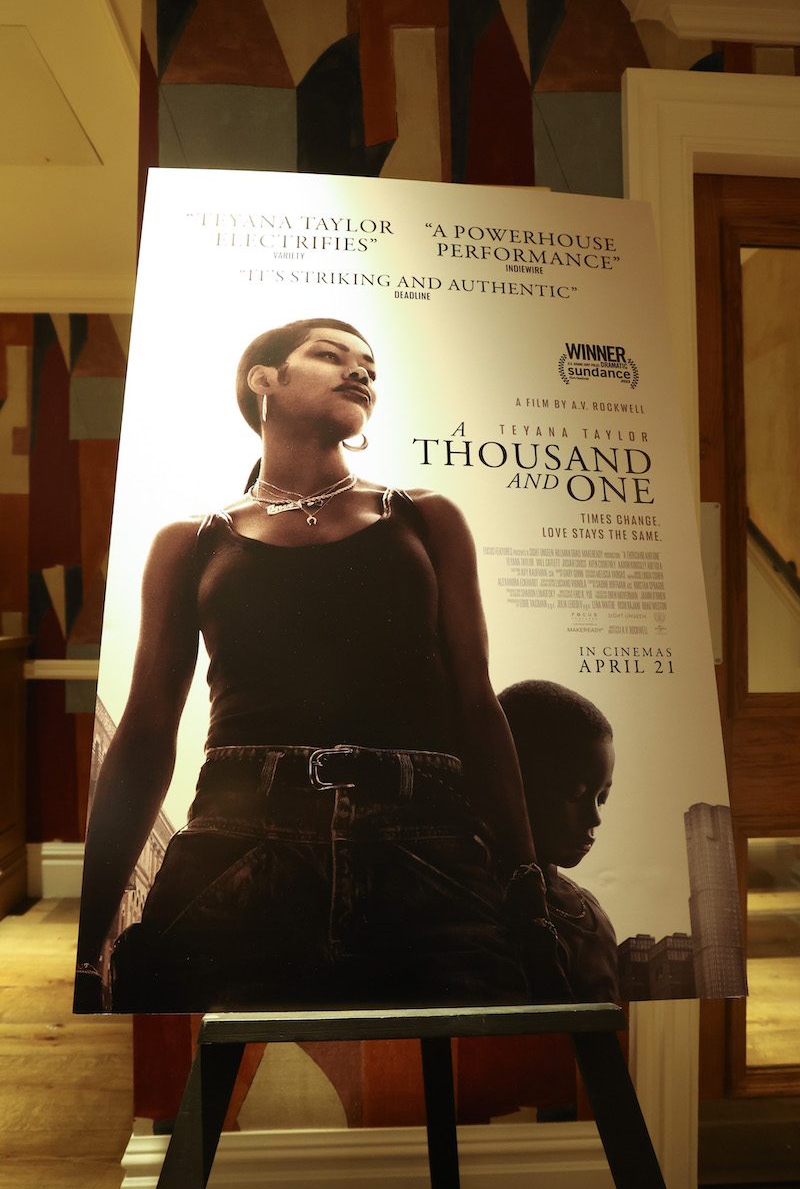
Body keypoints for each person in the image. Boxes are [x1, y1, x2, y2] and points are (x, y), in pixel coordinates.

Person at [76, 317, 563, 1012]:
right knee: (207, 1062)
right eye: (331, 355)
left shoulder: (425, 517)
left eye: (369, 366)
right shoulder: (191, 542)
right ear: (265, 380)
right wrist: (89, 942)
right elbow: (147, 733)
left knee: (464, 1049)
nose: (359, 371)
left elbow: (475, 705)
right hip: (237, 848)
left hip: (426, 849)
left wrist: (526, 886)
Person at [499, 680, 620, 1001]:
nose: (595, 818)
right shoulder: (489, 906)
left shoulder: (591, 909)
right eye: (574, 794)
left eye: (602, 798)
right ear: (516, 781)